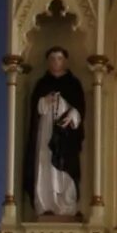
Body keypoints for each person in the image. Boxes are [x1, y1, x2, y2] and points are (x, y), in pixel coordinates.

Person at [28, 45, 86, 217]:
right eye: (52, 58)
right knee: (45, 164)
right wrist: (44, 101)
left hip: (65, 136)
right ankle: (46, 204)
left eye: (59, 58)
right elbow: (35, 109)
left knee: (65, 167)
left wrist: (73, 113)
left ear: (65, 61)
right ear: (48, 61)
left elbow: (80, 107)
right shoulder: (42, 84)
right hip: (46, 132)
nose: (56, 62)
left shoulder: (73, 84)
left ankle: (66, 205)